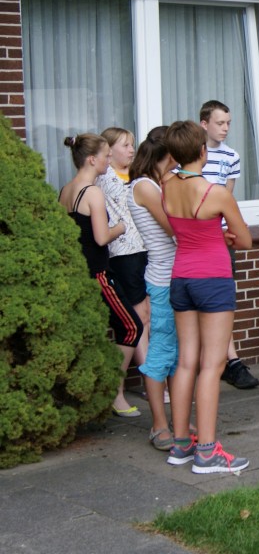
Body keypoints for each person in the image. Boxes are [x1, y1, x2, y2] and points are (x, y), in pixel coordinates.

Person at [162, 120, 252, 474]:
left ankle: (181, 444)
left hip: (180, 277)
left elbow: (183, 227)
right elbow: (244, 240)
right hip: (213, 278)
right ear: (203, 151)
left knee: (186, 362)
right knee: (213, 366)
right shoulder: (216, 193)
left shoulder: (166, 184)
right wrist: (225, 237)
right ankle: (207, 452)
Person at [58, 133, 143, 417]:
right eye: (106, 156)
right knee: (132, 326)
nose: (109, 160)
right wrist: (121, 227)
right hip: (98, 275)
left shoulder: (65, 190)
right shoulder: (93, 192)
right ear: (92, 160)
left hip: (77, 275)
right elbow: (101, 237)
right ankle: (115, 393)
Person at [198, 100, 259, 390]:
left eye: (228, 123)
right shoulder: (192, 155)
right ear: (204, 124)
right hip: (198, 235)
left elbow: (227, 198)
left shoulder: (231, 156)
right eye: (219, 123)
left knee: (224, 297)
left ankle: (227, 360)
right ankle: (223, 360)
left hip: (220, 236)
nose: (225, 128)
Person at [127, 127, 180, 450]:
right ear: (169, 153)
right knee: (160, 353)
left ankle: (177, 421)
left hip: (174, 276)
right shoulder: (145, 186)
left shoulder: (156, 183)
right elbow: (173, 227)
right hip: (162, 279)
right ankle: (159, 425)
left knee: (176, 354)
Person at [97, 127, 148, 417]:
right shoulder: (106, 179)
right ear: (109, 150)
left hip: (143, 250)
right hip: (122, 254)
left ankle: (150, 380)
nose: (131, 150)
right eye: (125, 145)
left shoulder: (136, 175)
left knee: (145, 317)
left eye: (132, 145)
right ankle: (124, 390)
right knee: (135, 320)